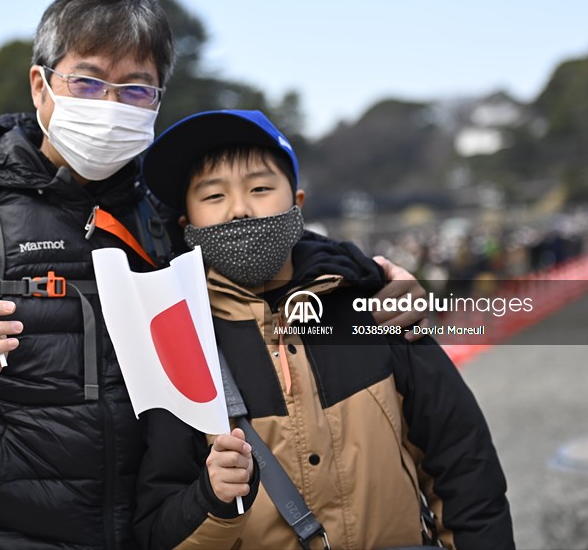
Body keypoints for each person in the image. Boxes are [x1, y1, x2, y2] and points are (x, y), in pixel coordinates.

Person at [0, 0, 428, 549]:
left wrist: (371, 280)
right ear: (41, 85)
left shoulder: (164, 219)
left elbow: (271, 250)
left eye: (135, 88)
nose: (109, 106)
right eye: (87, 80)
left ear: (157, 102)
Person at [134, 110, 514, 550]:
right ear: (187, 226)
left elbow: (463, 462)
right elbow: (156, 526)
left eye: (259, 188)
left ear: (297, 204)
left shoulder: (378, 306)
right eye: (214, 196)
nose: (239, 209)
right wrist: (209, 497)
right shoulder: (178, 342)